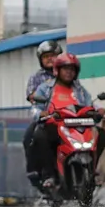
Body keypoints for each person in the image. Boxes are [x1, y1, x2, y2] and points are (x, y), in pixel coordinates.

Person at [28, 53, 105, 190]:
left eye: (72, 69)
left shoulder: (79, 90)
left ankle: (92, 170)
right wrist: (41, 113)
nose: (69, 72)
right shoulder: (46, 88)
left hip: (78, 127)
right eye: (65, 69)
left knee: (101, 134)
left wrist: (99, 110)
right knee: (40, 135)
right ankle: (49, 176)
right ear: (57, 70)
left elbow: (90, 103)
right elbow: (35, 108)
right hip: (55, 127)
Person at [24, 39, 63, 186]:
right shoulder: (36, 77)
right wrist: (42, 101)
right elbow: (31, 95)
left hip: (66, 116)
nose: (50, 59)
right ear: (41, 60)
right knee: (31, 137)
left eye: (53, 56)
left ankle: (90, 169)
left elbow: (78, 93)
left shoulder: (66, 74)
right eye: (46, 57)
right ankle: (39, 171)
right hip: (45, 116)